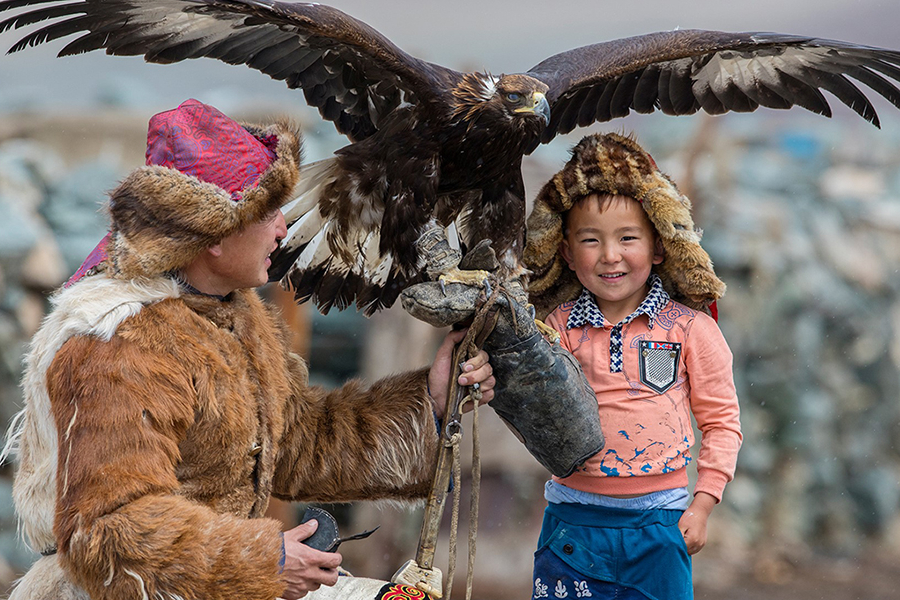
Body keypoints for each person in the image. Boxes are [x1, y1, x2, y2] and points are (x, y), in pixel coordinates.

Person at [2, 98, 496, 600]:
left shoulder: (231, 309)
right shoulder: (117, 341)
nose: (284, 228)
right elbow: (109, 531)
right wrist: (267, 561)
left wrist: (429, 402)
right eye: (269, 212)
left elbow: (296, 441)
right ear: (215, 230)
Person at [523, 133, 743, 600]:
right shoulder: (553, 331)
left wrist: (702, 504)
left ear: (659, 247)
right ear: (564, 251)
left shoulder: (690, 330)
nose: (610, 255)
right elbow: (523, 397)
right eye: (590, 240)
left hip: (661, 526)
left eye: (628, 238)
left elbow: (722, 423)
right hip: (573, 527)